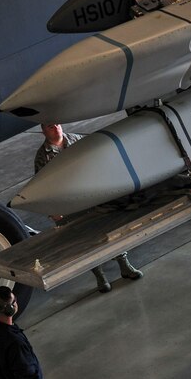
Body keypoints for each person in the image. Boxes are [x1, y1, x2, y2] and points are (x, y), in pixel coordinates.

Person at [35, 122, 143, 293]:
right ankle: (100, 276)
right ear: (43, 132)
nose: (55, 128)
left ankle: (125, 266)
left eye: (57, 124)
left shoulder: (77, 140)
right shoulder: (43, 156)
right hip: (71, 205)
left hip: (93, 198)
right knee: (86, 241)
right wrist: (54, 212)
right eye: (50, 126)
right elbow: (42, 187)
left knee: (110, 231)